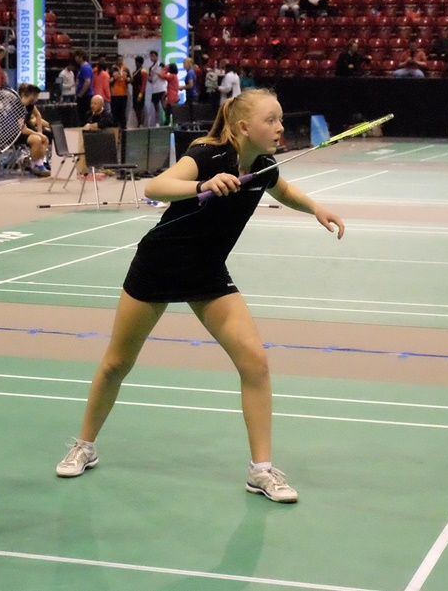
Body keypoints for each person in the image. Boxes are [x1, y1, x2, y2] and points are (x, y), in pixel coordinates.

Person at [55, 88, 345, 504]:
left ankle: (261, 470)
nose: (280, 127)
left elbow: (283, 191)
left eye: (280, 120)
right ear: (243, 127)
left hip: (207, 272)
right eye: (271, 120)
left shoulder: (263, 167)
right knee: (117, 362)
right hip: (159, 264)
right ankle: (85, 445)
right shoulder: (207, 154)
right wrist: (202, 185)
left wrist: (315, 208)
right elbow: (156, 186)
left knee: (255, 362)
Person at [16, 83, 51, 177]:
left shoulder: (30, 105)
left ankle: (40, 165)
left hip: (26, 130)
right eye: (37, 96)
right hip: (15, 134)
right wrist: (38, 134)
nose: (37, 99)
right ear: (32, 96)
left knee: (45, 139)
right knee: (37, 140)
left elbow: (38, 115)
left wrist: (39, 132)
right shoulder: (19, 106)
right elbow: (23, 130)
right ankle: (34, 166)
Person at [74, 49, 94, 125]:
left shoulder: (85, 68)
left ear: (81, 57)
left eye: (76, 57)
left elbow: (87, 82)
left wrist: (80, 94)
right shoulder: (82, 68)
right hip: (84, 96)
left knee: (84, 116)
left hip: (85, 97)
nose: (75, 59)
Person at [147, 50, 167, 127]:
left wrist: (158, 74)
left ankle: (168, 121)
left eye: (153, 56)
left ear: (157, 56)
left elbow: (165, 76)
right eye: (151, 56)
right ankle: (157, 123)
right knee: (156, 107)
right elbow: (150, 80)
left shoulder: (162, 65)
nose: (152, 58)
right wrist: (148, 78)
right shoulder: (150, 68)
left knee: (164, 106)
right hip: (155, 90)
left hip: (162, 88)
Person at [110, 55, 130, 128]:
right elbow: (109, 81)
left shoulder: (126, 69)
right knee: (115, 112)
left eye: (121, 59)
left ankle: (123, 128)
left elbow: (130, 79)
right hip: (115, 94)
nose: (120, 61)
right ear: (116, 60)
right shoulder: (112, 69)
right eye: (119, 60)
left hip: (124, 94)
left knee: (123, 112)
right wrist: (115, 78)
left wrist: (127, 79)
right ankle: (115, 128)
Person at [130, 55, 148, 127]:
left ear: (140, 63)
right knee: (135, 108)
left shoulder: (143, 71)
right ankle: (139, 122)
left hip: (140, 92)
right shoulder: (134, 72)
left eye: (137, 62)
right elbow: (133, 83)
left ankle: (141, 123)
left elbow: (144, 84)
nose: (136, 64)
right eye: (136, 62)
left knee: (140, 108)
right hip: (134, 92)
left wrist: (141, 94)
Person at [160, 62, 180, 126]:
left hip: (172, 98)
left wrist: (165, 69)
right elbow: (171, 88)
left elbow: (162, 76)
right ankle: (170, 126)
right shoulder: (174, 76)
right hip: (172, 97)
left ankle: (173, 127)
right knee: (168, 114)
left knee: (171, 114)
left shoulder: (172, 76)